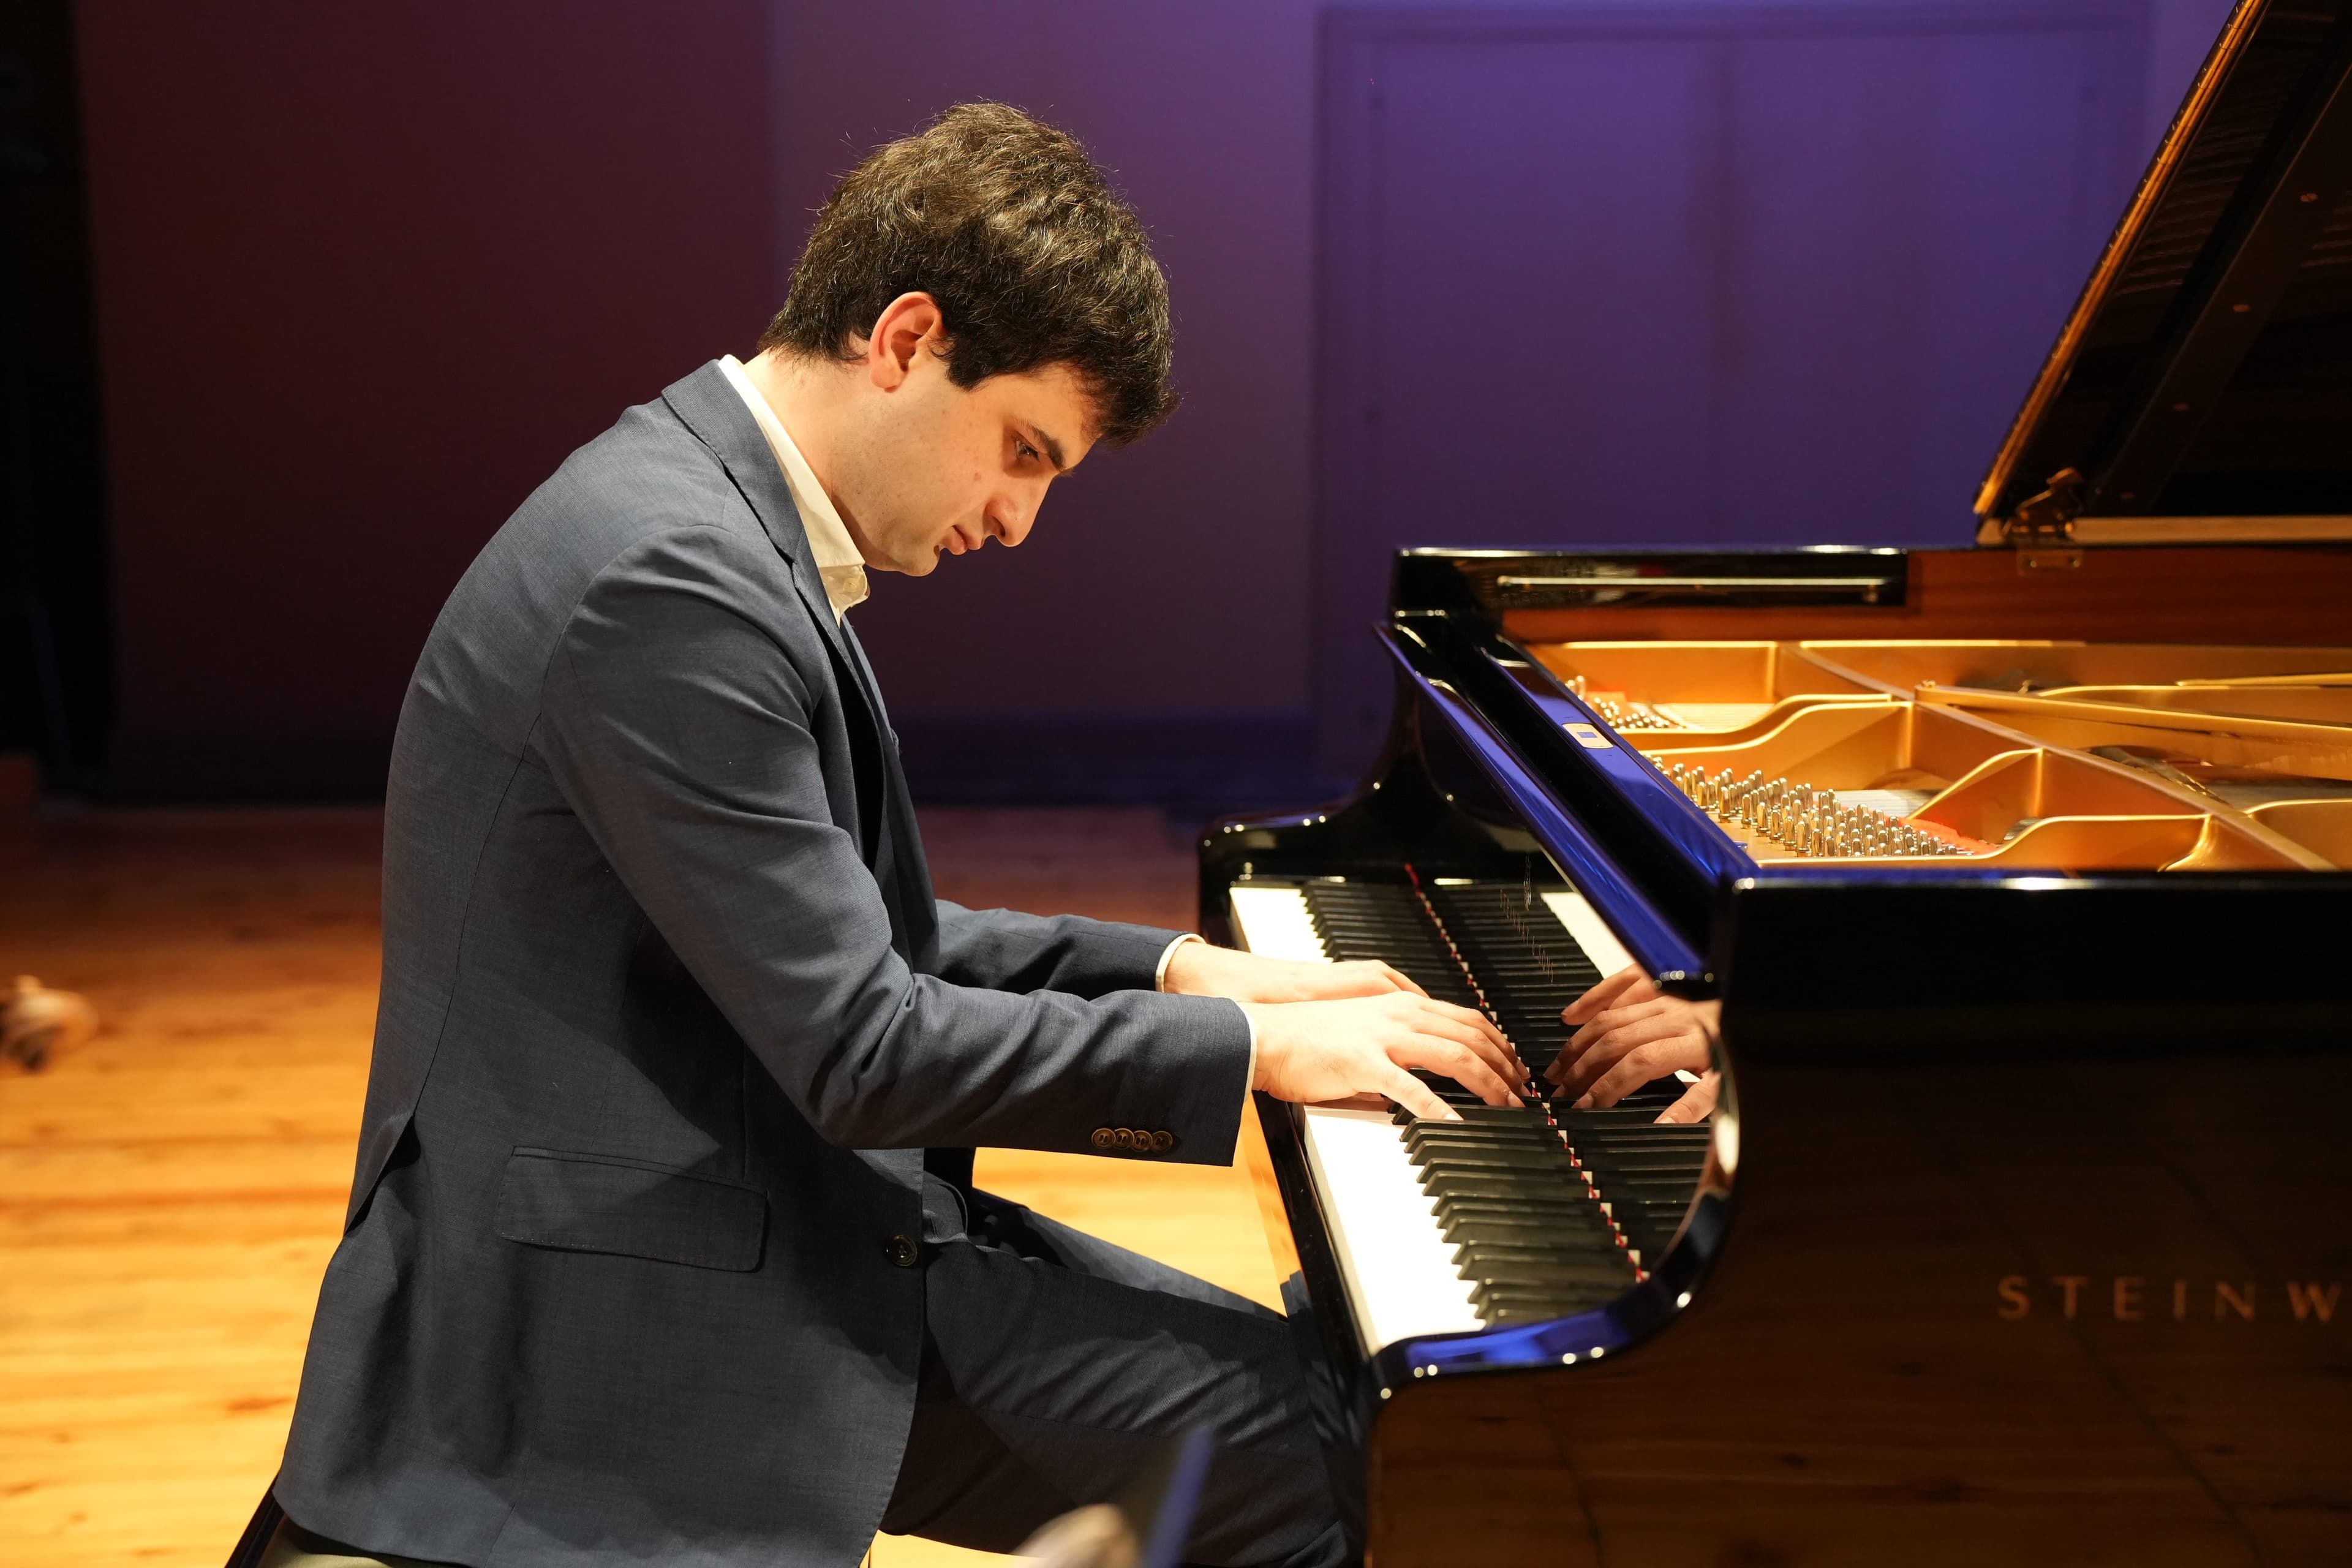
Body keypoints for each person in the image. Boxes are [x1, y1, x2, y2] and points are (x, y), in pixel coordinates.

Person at [268, 103, 1527, 1568]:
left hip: (744, 1205)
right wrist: (1255, 1059)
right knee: (1336, 1464)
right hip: (638, 1301)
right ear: (907, 337)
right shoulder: (672, 580)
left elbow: (870, 944)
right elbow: (865, 1045)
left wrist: (1202, 978)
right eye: (1025, 451)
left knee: (1335, 1401)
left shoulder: (702, 513)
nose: (1018, 515)